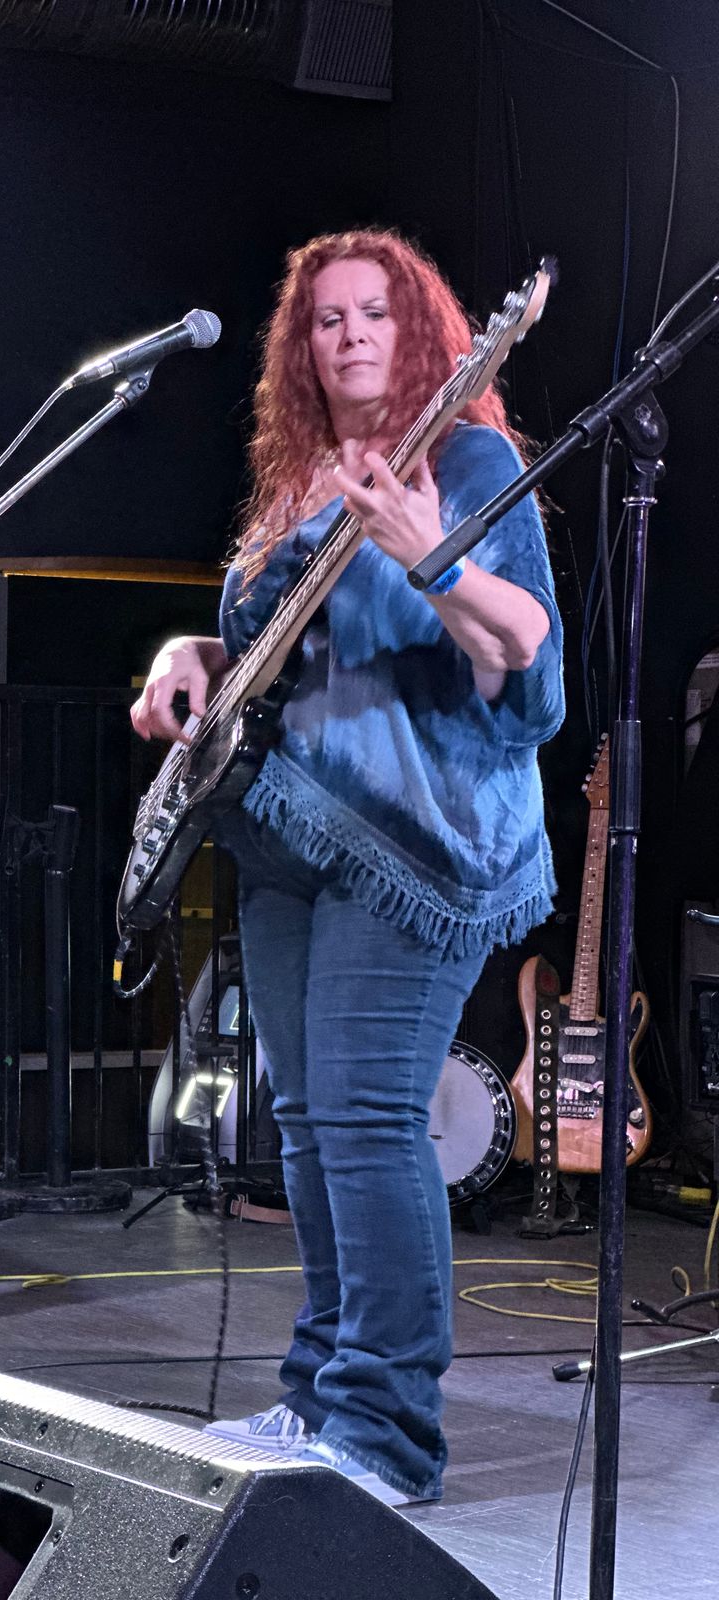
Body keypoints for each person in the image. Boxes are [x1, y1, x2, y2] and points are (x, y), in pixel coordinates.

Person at [131, 230, 564, 1504]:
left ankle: (387, 1431)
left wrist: (434, 553)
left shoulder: (466, 460)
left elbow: (527, 652)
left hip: (417, 845)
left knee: (371, 1121)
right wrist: (188, 656)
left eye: (375, 312)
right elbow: (278, 653)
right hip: (287, 838)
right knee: (311, 1126)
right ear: (301, 348)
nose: (352, 334)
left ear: (419, 330)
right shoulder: (297, 484)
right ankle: (323, 1392)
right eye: (327, 319)